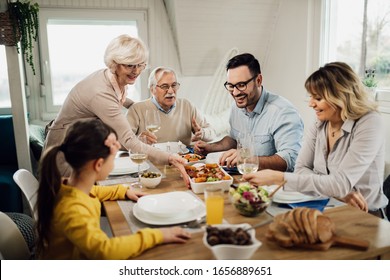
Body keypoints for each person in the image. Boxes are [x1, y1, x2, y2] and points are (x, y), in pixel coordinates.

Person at [243, 62, 389, 219]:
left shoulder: (370, 122)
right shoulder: (321, 122)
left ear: (341, 97)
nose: (311, 104)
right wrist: (337, 191)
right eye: (311, 96)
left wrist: (279, 177)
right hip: (328, 207)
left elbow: (340, 183)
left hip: (366, 215)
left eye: (318, 98)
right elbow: (302, 168)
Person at [36, 119, 191, 259]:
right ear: (98, 165)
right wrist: (158, 235)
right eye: (113, 158)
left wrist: (122, 191)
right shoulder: (73, 209)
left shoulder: (69, 186)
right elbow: (105, 251)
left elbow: (94, 192)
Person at [43, 34, 187, 180]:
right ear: (115, 63)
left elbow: (121, 99)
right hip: (65, 154)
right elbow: (129, 142)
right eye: (129, 65)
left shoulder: (110, 78)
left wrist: (142, 106)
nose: (136, 71)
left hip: (82, 147)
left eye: (140, 65)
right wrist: (169, 158)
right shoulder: (100, 93)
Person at [194, 53, 304, 172]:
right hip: (247, 180)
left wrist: (248, 159)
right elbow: (234, 139)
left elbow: (291, 161)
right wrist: (209, 147)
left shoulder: (283, 112)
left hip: (276, 186)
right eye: (231, 86)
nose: (235, 93)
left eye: (241, 85)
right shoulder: (237, 107)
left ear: (258, 80)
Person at [126, 66, 216, 146]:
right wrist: (138, 141)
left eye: (174, 85)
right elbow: (121, 142)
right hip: (151, 161)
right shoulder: (136, 109)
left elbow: (212, 133)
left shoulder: (187, 106)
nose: (170, 91)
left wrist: (202, 133)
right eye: (165, 86)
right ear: (152, 89)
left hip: (182, 160)